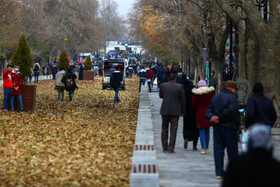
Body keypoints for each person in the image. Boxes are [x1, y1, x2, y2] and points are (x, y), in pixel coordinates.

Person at [205, 81, 240, 179]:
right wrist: (219, 117)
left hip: (218, 128)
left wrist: (212, 117)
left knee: (218, 150)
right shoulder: (233, 99)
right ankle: (233, 172)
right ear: (232, 89)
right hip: (230, 127)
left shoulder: (216, 97)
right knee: (232, 151)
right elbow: (231, 111)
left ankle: (219, 172)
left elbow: (207, 111)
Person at [159, 73, 186, 154]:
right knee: (173, 129)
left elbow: (161, 96)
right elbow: (183, 100)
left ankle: (164, 147)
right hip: (175, 111)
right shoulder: (180, 87)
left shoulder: (163, 86)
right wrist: (183, 111)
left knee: (164, 128)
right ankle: (171, 148)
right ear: (175, 79)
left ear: (168, 79)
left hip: (165, 110)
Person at [191, 80, 215, 154]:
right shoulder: (210, 93)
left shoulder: (196, 93)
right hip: (208, 113)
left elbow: (192, 104)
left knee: (201, 130)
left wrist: (196, 109)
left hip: (200, 113)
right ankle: (207, 147)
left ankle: (202, 148)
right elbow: (214, 102)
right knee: (207, 130)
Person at [180, 74, 199, 151]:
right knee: (195, 129)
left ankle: (186, 138)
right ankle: (194, 145)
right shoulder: (196, 94)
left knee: (186, 127)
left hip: (187, 113)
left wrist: (182, 112)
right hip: (195, 114)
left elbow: (183, 102)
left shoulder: (186, 93)